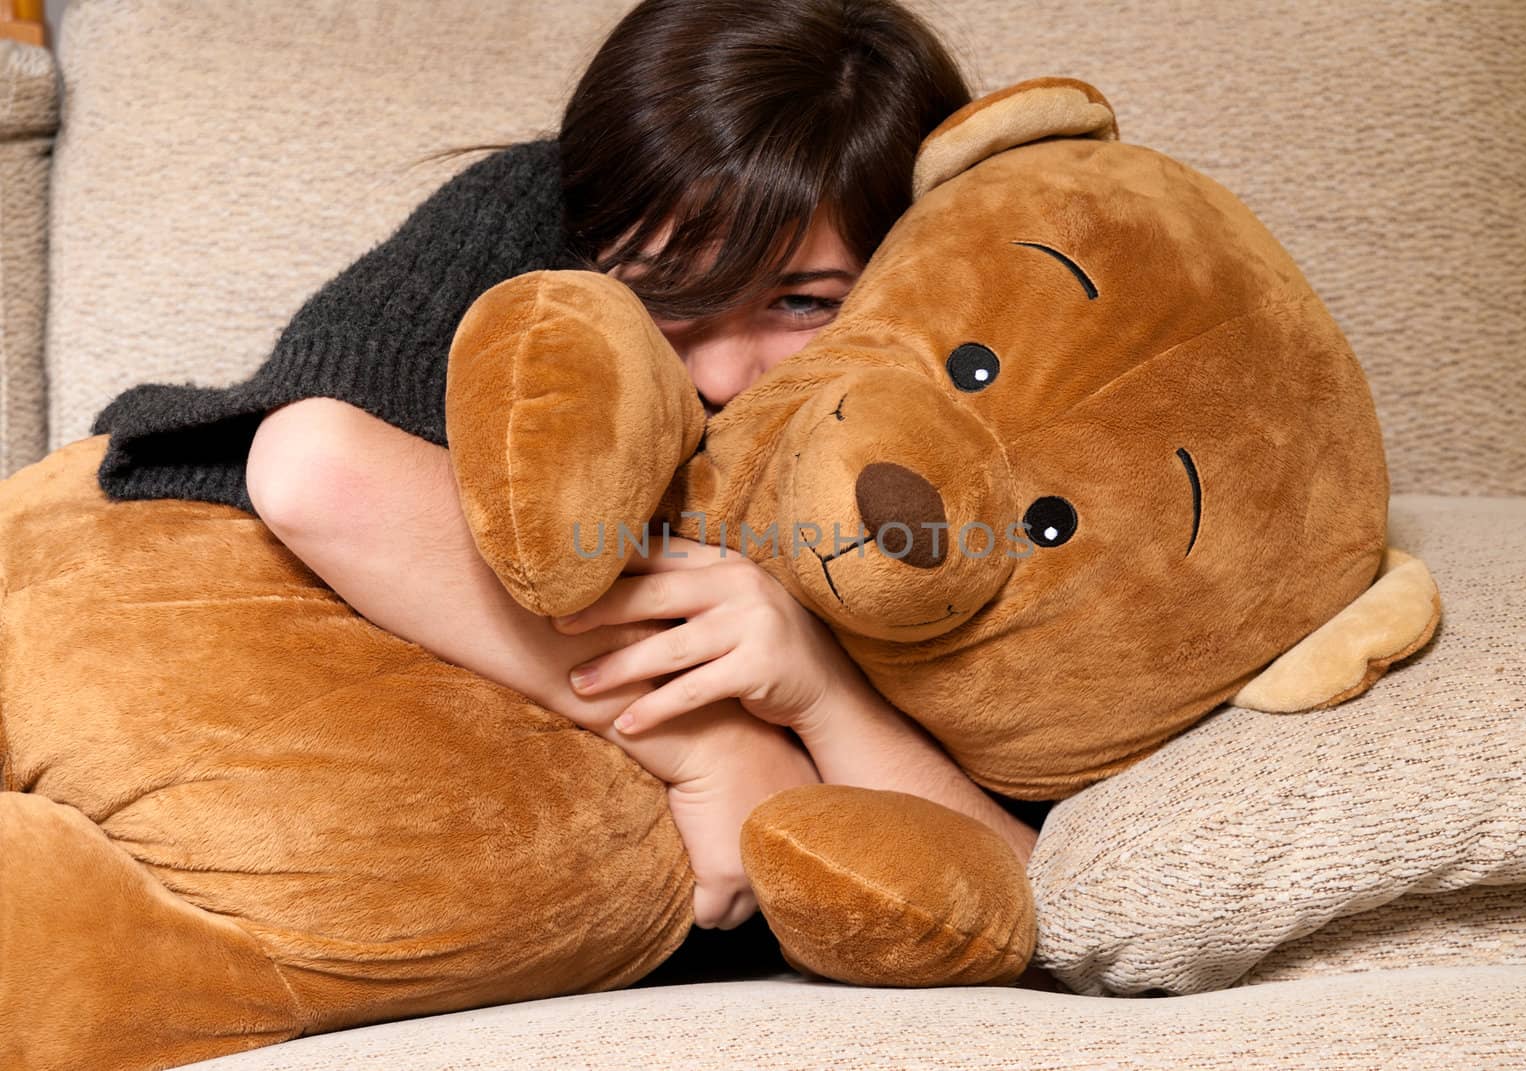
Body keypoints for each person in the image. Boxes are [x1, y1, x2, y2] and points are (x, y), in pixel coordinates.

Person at [89, 0, 1050, 967]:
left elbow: (1057, 893)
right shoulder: (531, 225)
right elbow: (310, 466)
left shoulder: (986, 368)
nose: (718, 375)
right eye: (664, 292)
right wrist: (710, 739)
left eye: (803, 302)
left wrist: (822, 697)